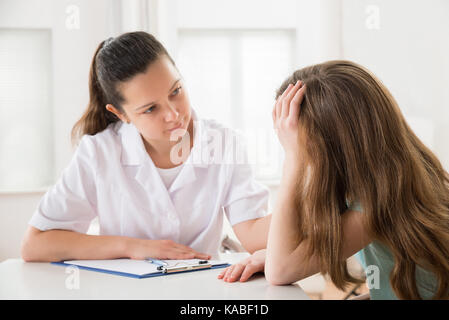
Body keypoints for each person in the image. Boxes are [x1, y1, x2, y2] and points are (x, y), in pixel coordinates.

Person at [21, 31, 271, 262]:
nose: (174, 114)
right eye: (151, 108)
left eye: (176, 91)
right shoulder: (99, 152)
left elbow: (253, 236)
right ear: (121, 114)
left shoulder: (224, 143)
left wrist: (301, 169)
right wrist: (132, 247)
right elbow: (35, 245)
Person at [218, 60, 449, 300]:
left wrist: (292, 160)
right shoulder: (396, 177)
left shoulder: (378, 203)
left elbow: (280, 271)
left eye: (299, 142)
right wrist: (273, 253)